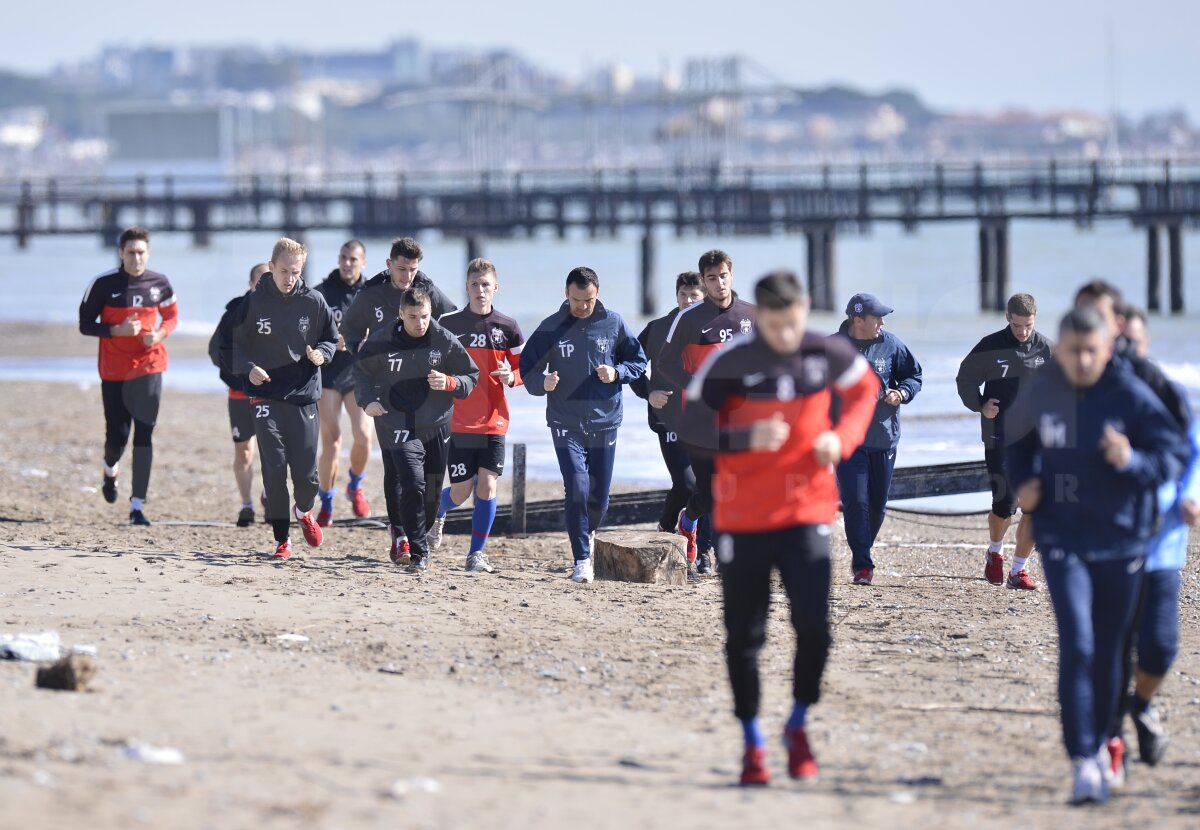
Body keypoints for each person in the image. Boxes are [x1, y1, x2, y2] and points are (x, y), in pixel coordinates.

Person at [680, 270, 878, 787]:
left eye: (793, 323)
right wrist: (746, 435)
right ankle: (752, 742)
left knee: (815, 628)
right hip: (742, 518)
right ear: (758, 315)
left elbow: (865, 391)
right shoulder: (734, 360)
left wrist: (842, 438)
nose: (786, 335)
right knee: (745, 637)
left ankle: (796, 723)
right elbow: (693, 424)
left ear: (805, 309)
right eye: (775, 324)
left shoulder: (824, 352)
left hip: (806, 512)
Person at [1006, 307, 1189, 806]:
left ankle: (1108, 738)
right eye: (1074, 350)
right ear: (1059, 348)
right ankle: (1083, 759)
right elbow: (1015, 442)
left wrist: (1131, 459)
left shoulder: (1129, 394)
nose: (1083, 360)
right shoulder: (1043, 389)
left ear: (1107, 349)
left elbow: (1172, 454)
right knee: (1078, 646)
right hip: (1063, 537)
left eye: (1093, 351)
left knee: (1110, 653)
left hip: (1123, 541)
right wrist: (1023, 482)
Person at [519, 267, 647, 583]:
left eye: (588, 300)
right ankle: (582, 559)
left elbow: (639, 361)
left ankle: (586, 534)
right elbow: (528, 370)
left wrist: (617, 373)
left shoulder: (614, 322)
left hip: (605, 420)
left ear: (597, 293)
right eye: (577, 300)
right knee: (577, 487)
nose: (583, 307)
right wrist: (542, 383)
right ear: (567, 294)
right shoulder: (550, 327)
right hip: (565, 420)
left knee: (599, 498)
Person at [341, 236, 458, 556]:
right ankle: (400, 534)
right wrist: (358, 350)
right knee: (397, 469)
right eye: (402, 268)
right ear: (389, 264)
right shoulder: (371, 294)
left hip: (426, 396)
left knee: (430, 481)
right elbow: (350, 329)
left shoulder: (427, 290)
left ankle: (418, 525)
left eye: (414, 269)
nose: (408, 276)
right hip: (386, 394)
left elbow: (452, 322)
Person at [354, 286, 478, 573]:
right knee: (412, 483)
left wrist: (450, 383)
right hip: (397, 421)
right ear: (401, 314)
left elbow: (471, 376)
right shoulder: (382, 339)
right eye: (412, 317)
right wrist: (368, 400)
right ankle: (418, 551)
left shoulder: (443, 339)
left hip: (436, 423)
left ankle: (417, 535)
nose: (419, 323)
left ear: (431, 313)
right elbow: (360, 372)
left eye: (424, 316)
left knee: (432, 494)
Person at [231, 238, 338, 560]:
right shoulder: (252, 303)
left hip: (304, 397)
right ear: (272, 266)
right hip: (265, 396)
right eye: (283, 271)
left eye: (295, 272)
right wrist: (248, 368)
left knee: (307, 477)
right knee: (274, 469)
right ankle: (282, 541)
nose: (289, 278)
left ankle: (303, 512)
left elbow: (331, 340)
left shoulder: (314, 301)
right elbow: (234, 347)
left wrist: (322, 354)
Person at [652, 250, 756, 573]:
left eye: (723, 275)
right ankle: (689, 518)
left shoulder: (750, 315)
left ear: (732, 274)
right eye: (712, 278)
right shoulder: (690, 319)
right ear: (705, 281)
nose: (719, 282)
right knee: (710, 495)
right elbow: (665, 362)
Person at [427, 259, 525, 573]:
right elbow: (432, 361)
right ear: (466, 287)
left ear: (496, 287)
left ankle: (476, 554)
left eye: (486, 284)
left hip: (495, 421)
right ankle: (438, 510)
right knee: (461, 491)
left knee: (488, 486)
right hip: (457, 421)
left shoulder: (508, 326)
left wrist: (512, 377)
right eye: (474, 284)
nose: (480, 290)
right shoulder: (449, 323)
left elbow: (523, 369)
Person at [78, 225, 179, 526]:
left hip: (150, 366)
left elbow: (172, 316)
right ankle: (110, 471)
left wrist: (159, 334)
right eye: (131, 253)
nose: (137, 258)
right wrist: (115, 331)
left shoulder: (160, 283)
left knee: (144, 436)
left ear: (148, 253)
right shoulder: (103, 284)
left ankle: (137, 507)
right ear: (121, 253)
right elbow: (84, 324)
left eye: (141, 253)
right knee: (117, 437)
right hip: (114, 370)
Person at [955, 292, 1052, 589]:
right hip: (1000, 435)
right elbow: (965, 378)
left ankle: (1018, 570)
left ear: (1035, 320)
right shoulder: (991, 345)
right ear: (1008, 318)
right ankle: (995, 552)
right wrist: (980, 404)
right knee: (1004, 505)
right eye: (1018, 325)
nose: (1023, 332)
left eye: (1029, 326)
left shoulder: (1046, 348)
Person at [831, 293, 922, 586]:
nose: (882, 323)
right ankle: (862, 564)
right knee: (856, 501)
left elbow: (914, 375)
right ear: (858, 320)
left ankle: (862, 548)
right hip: (847, 440)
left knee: (877, 506)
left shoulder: (891, 344)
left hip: (884, 438)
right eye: (877, 318)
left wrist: (902, 393)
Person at [630, 271, 712, 565]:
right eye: (683, 295)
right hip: (670, 420)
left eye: (695, 296)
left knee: (708, 486)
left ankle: (703, 551)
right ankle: (666, 527)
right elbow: (630, 362)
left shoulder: (715, 328)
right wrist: (647, 393)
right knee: (687, 485)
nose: (688, 301)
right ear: (676, 296)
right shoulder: (658, 328)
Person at [313, 239, 373, 526]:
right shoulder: (322, 292)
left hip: (359, 373)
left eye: (353, 259)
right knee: (333, 441)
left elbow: (387, 328)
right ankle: (326, 502)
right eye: (344, 258)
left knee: (363, 436)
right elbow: (307, 331)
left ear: (363, 263)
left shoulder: (372, 293)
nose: (347, 263)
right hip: (328, 374)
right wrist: (329, 342)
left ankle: (355, 486)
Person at [208, 261, 269, 526]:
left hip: (272, 394)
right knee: (244, 451)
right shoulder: (235, 311)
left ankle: (271, 495)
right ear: (251, 283)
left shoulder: (286, 311)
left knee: (273, 451)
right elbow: (217, 351)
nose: (265, 285)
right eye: (260, 280)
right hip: (240, 393)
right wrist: (239, 375)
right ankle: (247, 506)